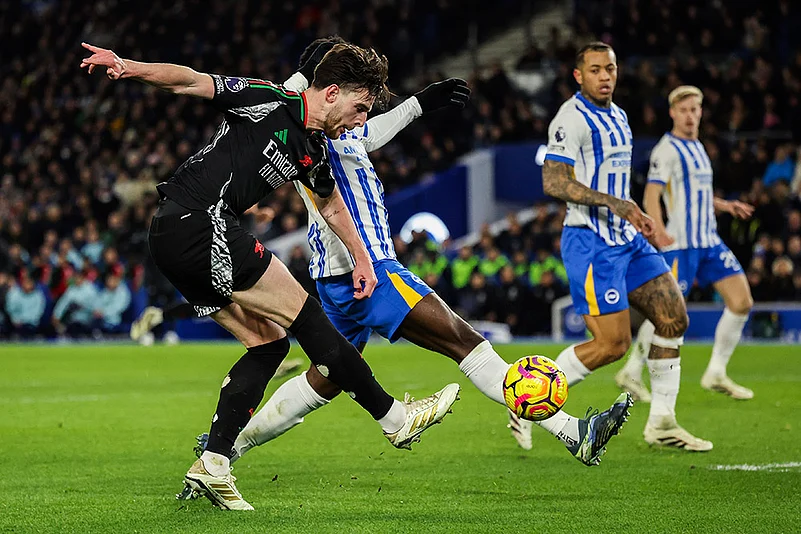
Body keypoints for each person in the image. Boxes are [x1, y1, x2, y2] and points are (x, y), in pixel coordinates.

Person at [212, 37, 631, 468]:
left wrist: (419, 104)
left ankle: (224, 448)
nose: (362, 117)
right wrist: (305, 72)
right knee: (465, 342)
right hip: (369, 272)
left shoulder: (345, 132)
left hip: (339, 276)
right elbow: (278, 106)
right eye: (360, 104)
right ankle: (573, 431)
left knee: (326, 378)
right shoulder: (309, 127)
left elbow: (372, 133)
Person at [80, 40, 460, 511]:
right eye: (360, 108)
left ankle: (214, 462)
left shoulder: (314, 149)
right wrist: (127, 66)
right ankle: (394, 418)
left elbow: (331, 205)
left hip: (176, 235)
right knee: (310, 320)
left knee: (268, 343)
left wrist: (362, 259)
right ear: (331, 93)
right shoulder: (266, 100)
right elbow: (190, 81)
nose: (361, 121)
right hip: (199, 222)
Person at [537, 43, 712, 452]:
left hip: (628, 239)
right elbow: (554, 182)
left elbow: (614, 180)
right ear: (578, 75)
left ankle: (663, 424)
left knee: (673, 318)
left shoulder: (619, 116)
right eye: (595, 69)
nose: (605, 76)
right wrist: (617, 204)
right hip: (591, 241)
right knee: (612, 345)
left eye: (610, 69)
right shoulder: (570, 118)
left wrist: (636, 215)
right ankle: (527, 399)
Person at [615, 86, 755, 401]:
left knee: (742, 302)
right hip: (681, 244)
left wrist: (725, 206)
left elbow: (696, 194)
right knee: (668, 313)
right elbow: (652, 193)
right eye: (683, 110)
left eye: (694, 109)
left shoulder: (698, 147)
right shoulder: (667, 150)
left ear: (701, 112)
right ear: (672, 113)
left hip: (709, 241)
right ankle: (632, 370)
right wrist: (658, 231)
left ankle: (716, 372)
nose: (690, 116)